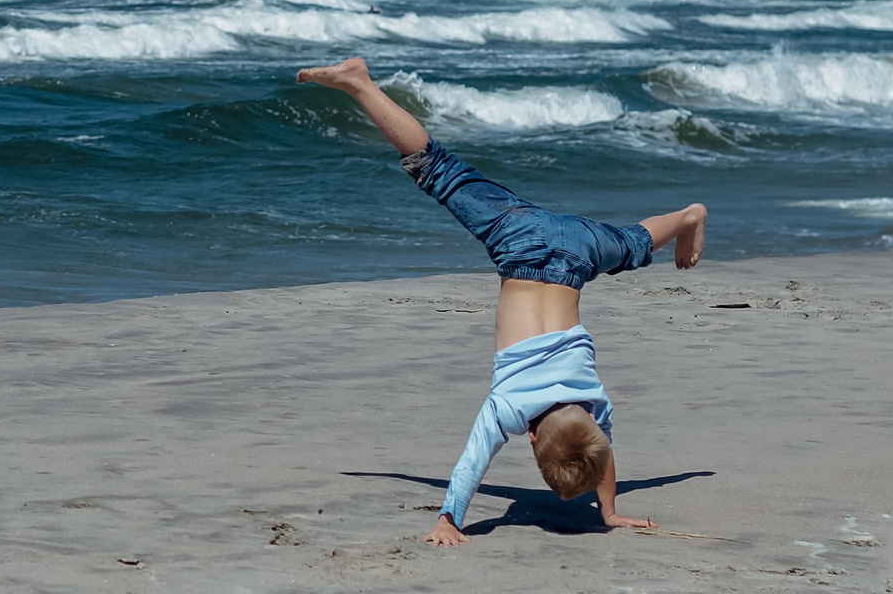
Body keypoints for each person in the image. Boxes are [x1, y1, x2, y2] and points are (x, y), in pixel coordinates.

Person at [296, 56, 706, 546]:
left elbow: (604, 446)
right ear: (531, 440)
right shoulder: (509, 408)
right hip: (521, 246)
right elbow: (473, 462)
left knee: (632, 244)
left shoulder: (595, 404)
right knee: (435, 171)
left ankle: (686, 216)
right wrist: (449, 519)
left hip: (577, 252)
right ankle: (359, 84)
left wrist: (608, 510)